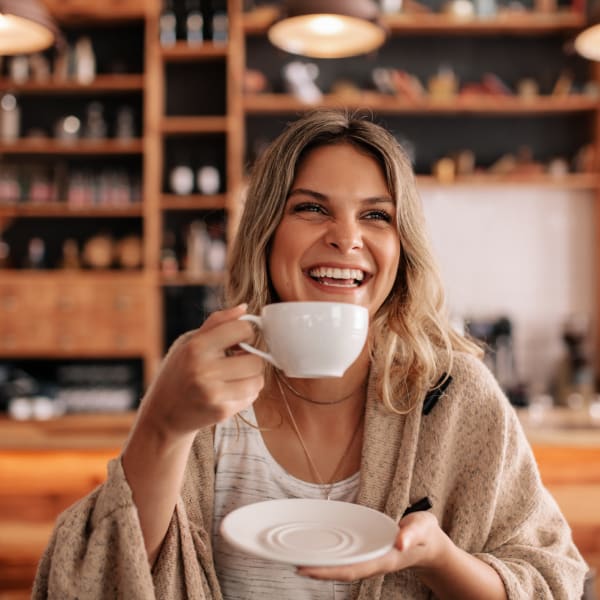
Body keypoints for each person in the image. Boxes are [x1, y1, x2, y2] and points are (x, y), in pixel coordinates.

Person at [34, 109, 587, 599]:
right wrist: (161, 426)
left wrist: (438, 558)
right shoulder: (205, 391)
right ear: (267, 232)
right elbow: (93, 582)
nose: (346, 237)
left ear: (402, 250)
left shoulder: (452, 394)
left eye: (376, 215)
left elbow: (551, 579)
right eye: (311, 208)